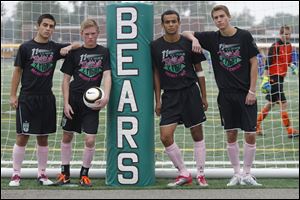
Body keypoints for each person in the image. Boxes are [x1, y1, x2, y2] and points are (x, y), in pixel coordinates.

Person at [182, 5, 262, 186]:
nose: (219, 20)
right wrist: (194, 40)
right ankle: (236, 173)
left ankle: (247, 174)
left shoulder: (244, 36)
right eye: (216, 18)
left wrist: (252, 91)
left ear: (229, 17)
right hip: (225, 95)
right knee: (231, 134)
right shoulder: (212, 38)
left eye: (222, 16)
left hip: (245, 94)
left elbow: (254, 63)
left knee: (250, 134)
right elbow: (186, 32)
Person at [9, 14, 80, 187]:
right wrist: (13, 95)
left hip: (47, 98)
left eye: (51, 26)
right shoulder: (25, 47)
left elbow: (79, 45)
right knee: (22, 136)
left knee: (43, 138)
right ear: (38, 26)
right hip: (27, 98)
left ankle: (42, 174)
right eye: (45, 25)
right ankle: (16, 174)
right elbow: (17, 71)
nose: (48, 29)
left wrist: (68, 47)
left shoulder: (55, 48)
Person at [151, 10, 208, 187]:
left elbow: (199, 70)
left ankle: (200, 174)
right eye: (167, 22)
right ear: (162, 25)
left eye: (174, 21)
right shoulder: (155, 46)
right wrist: (158, 99)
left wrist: (204, 96)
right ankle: (183, 173)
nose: (171, 24)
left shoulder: (188, 43)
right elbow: (156, 74)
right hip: (170, 96)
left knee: (197, 134)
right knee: (165, 136)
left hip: (190, 92)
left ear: (179, 23)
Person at [54, 19, 111, 187]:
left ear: (98, 34)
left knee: (90, 140)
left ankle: (84, 174)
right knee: (67, 135)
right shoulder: (75, 52)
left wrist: (106, 95)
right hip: (73, 99)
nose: (90, 37)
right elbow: (65, 80)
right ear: (82, 34)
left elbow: (107, 75)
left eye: (93, 34)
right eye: (87, 34)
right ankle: (64, 173)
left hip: (92, 102)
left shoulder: (104, 52)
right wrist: (66, 103)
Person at [257, 25, 299, 138]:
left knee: (270, 104)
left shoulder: (289, 46)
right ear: (280, 34)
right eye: (285, 34)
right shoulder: (275, 46)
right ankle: (290, 130)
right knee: (283, 103)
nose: (287, 36)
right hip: (273, 77)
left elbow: (287, 61)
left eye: (289, 34)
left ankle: (256, 125)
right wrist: (265, 79)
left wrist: (293, 66)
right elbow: (268, 63)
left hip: (281, 78)